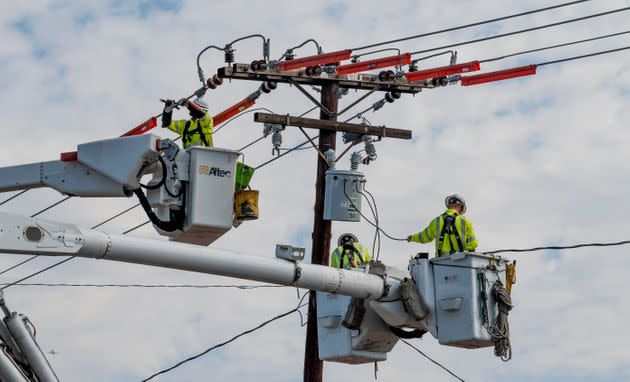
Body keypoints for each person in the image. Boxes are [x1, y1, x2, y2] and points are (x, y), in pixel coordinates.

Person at [406, 194, 478, 257]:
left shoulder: (436, 221)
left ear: (449, 206)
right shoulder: (465, 221)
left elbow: (424, 237)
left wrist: (412, 238)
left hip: (441, 264)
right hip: (462, 263)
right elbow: (473, 243)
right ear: (460, 206)